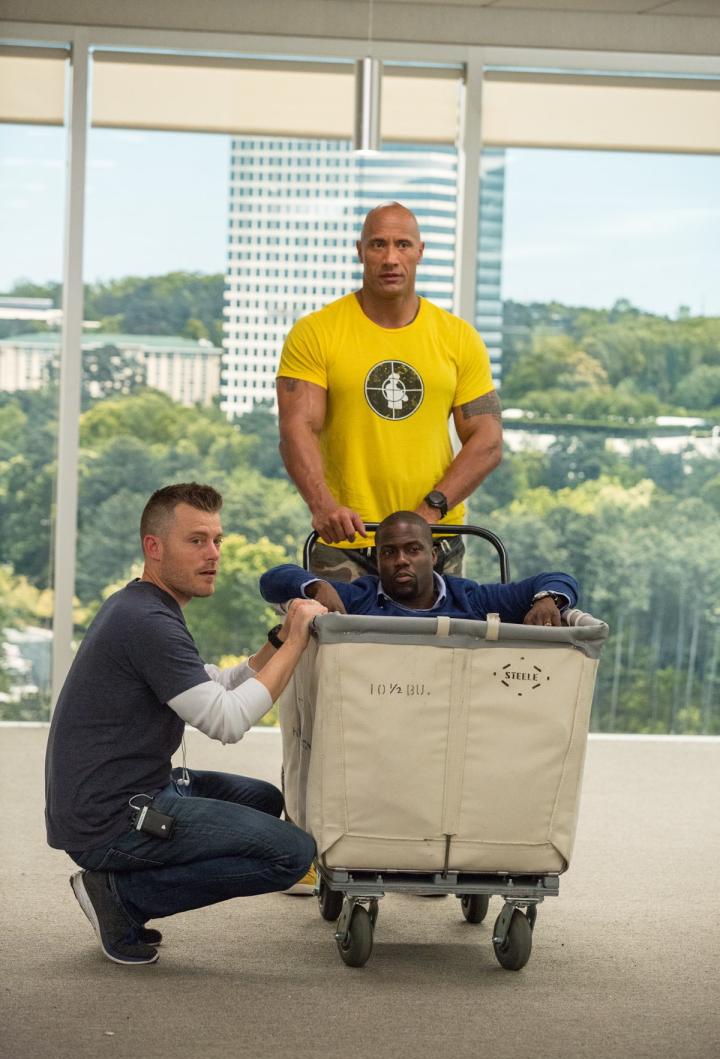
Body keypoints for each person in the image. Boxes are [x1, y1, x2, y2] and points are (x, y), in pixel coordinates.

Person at [45, 482, 327, 966]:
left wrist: (279, 642)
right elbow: (226, 719)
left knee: (263, 800)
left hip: (134, 790)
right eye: (196, 541)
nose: (213, 554)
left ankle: (127, 886)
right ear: (153, 548)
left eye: (216, 540)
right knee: (291, 854)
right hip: (113, 818)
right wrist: (299, 641)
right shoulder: (147, 622)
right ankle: (123, 896)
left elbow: (210, 685)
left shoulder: (144, 606)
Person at [276, 201, 503, 581]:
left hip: (435, 541)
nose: (390, 258)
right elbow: (296, 428)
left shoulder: (460, 338)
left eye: (402, 245)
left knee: (441, 642)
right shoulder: (316, 332)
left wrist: (428, 513)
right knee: (339, 642)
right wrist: (323, 506)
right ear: (360, 251)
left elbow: (488, 439)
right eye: (378, 245)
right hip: (348, 539)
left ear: (420, 252)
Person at [260, 512, 578, 627]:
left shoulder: (472, 598)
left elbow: (559, 579)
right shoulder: (357, 598)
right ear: (377, 560)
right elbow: (272, 580)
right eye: (389, 552)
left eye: (413, 550)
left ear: (434, 555)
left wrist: (548, 600)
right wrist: (316, 586)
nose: (401, 560)